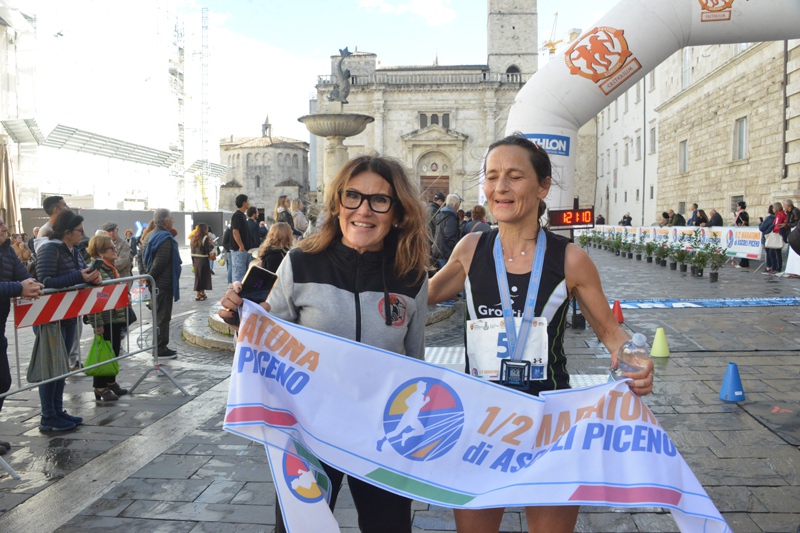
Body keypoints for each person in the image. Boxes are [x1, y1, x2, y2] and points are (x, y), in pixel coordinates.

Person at [427, 134, 653, 533]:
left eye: (514, 176)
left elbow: (610, 330)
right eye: (492, 176)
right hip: (480, 422)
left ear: (543, 186)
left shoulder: (570, 259)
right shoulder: (470, 248)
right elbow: (420, 297)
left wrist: (634, 359)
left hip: (550, 423)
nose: (500, 187)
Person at [220, 154, 430, 533]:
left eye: (379, 200)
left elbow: (414, 362)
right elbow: (267, 345)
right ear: (337, 204)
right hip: (310, 432)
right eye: (353, 196)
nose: (363, 210)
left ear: (397, 212)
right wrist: (243, 320)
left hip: (381, 436)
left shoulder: (411, 274)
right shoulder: (301, 262)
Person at [37, 210, 102, 432]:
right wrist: (79, 277)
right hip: (51, 318)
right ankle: (48, 416)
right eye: (79, 231)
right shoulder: (49, 249)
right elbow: (45, 281)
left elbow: (80, 274)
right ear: (67, 232)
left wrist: (92, 279)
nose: (83, 234)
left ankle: (57, 411)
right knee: (51, 369)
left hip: (67, 315)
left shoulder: (73, 250)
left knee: (61, 368)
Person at [0, 216, 44, 453]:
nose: (4, 228)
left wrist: (32, 285)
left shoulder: (7, 250)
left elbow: (22, 275)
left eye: (3, 224)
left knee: (3, 382)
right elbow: (18, 284)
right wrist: (19, 288)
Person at [84, 234, 129, 402]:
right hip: (105, 317)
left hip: (115, 316)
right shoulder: (96, 270)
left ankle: (110, 382)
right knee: (104, 353)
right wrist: (97, 323)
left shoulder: (110, 267)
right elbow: (92, 298)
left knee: (113, 351)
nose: (115, 250)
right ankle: (100, 387)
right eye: (111, 248)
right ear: (100, 252)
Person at [142, 209, 182, 359]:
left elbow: (140, 257)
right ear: (166, 222)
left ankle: (159, 346)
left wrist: (146, 277)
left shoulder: (149, 235)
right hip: (162, 284)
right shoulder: (165, 238)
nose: (173, 221)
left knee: (159, 316)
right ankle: (160, 348)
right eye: (171, 218)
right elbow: (160, 263)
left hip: (155, 283)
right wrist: (149, 278)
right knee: (163, 317)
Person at [431, 193, 461, 269]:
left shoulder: (440, 215)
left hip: (438, 251)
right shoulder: (451, 217)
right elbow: (450, 235)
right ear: (456, 204)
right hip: (445, 253)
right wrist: (454, 250)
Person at [230, 194, 252, 283]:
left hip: (243, 250)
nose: (249, 203)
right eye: (247, 201)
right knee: (238, 275)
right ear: (244, 203)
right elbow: (235, 231)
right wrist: (241, 246)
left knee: (243, 274)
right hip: (238, 250)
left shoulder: (242, 215)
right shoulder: (237, 215)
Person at [189, 223, 213, 301]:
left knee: (198, 276)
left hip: (196, 259)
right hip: (203, 259)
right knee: (203, 276)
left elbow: (192, 250)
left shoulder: (193, 238)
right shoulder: (205, 238)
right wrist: (211, 245)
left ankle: (201, 292)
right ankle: (199, 294)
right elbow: (207, 249)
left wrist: (193, 261)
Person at [769, 201, 787, 274]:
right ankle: (776, 268)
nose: (772, 209)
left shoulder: (780, 214)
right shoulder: (781, 214)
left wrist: (773, 230)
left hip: (777, 233)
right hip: (778, 233)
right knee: (776, 252)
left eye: (773, 208)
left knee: (775, 252)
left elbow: (777, 225)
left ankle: (777, 268)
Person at [759, 204, 777, 273]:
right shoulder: (777, 218)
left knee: (769, 253)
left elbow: (762, 228)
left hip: (767, 237)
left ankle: (769, 267)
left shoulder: (769, 218)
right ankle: (774, 267)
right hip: (774, 238)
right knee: (774, 253)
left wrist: (761, 223)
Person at [734, 201, 750, 268]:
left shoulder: (741, 213)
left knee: (743, 248)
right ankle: (745, 263)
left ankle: (743, 263)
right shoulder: (745, 213)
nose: (737, 207)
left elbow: (744, 222)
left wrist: (740, 228)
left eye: (738, 206)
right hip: (744, 232)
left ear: (740, 206)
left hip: (742, 232)